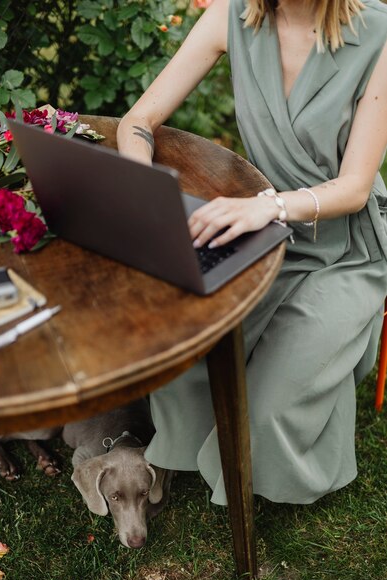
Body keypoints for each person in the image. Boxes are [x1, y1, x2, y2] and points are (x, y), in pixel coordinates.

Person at [116, 0, 387, 505]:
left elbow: (353, 188)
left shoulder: (380, 35)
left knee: (267, 410)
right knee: (184, 335)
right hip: (255, 231)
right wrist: (142, 185)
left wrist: (271, 208)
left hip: (343, 246)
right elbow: (139, 120)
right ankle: (188, 435)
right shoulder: (230, 18)